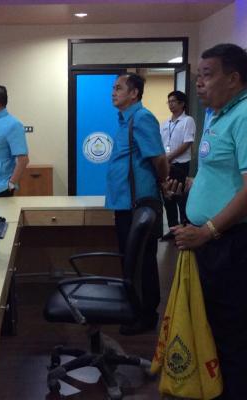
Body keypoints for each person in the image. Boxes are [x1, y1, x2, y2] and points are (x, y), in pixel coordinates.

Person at [171, 43, 247, 399]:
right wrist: (189, 186)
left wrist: (207, 231)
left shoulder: (244, 115)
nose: (199, 83)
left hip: (230, 242)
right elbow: (219, 175)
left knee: (232, 330)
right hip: (209, 242)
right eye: (198, 76)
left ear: (233, 79)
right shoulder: (217, 115)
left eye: (207, 75)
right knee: (210, 325)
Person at [106, 73, 169, 335]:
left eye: (119, 88)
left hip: (139, 205)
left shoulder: (142, 118)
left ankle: (146, 315)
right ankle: (134, 309)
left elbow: (159, 159)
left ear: (134, 93)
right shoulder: (125, 120)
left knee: (142, 262)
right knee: (130, 261)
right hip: (125, 204)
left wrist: (162, 181)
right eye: (113, 88)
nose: (113, 92)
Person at [160, 91, 195, 240]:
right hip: (166, 165)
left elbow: (187, 143)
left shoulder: (188, 120)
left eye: (173, 101)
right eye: (169, 101)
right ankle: (173, 229)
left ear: (182, 103)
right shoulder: (165, 123)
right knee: (168, 198)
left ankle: (185, 229)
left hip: (180, 164)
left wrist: (170, 157)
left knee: (181, 197)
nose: (171, 104)